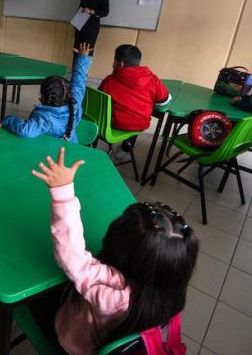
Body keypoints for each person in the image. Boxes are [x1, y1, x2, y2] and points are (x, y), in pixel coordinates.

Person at [29, 147, 199, 354]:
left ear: (120, 244)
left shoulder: (114, 294)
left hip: (72, 344)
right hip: (105, 333)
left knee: (29, 299)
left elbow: (71, 255)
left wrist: (63, 194)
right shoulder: (170, 295)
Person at [0, 43, 93, 142]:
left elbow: (25, 130)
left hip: (49, 155)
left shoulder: (44, 118)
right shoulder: (75, 102)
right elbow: (79, 81)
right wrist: (82, 58)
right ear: (68, 93)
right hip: (71, 150)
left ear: (42, 99)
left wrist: (8, 120)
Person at [99, 44, 170, 139]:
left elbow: (100, 100)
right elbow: (163, 100)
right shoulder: (152, 79)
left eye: (114, 60)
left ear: (120, 64)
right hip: (140, 124)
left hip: (115, 123)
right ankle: (129, 144)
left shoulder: (109, 81)